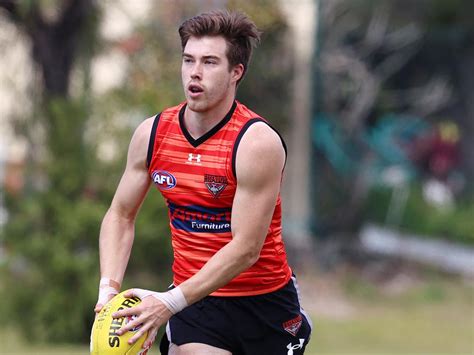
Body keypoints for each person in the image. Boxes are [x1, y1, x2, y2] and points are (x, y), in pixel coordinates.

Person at [94, 10, 312, 355]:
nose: (195, 72)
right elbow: (121, 215)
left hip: (264, 303)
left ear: (235, 72)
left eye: (210, 62)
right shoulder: (152, 134)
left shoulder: (255, 143)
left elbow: (246, 249)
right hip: (197, 303)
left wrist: (167, 303)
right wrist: (108, 290)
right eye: (188, 60)